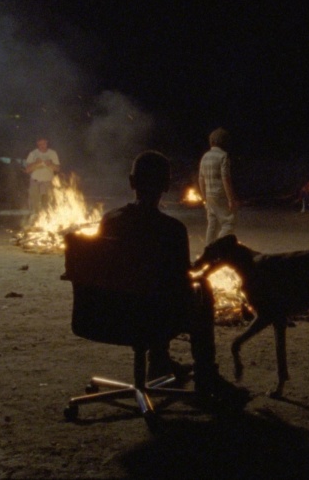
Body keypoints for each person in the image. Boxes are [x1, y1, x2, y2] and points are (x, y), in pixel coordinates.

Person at [99, 150, 249, 409]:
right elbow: (180, 279)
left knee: (153, 292)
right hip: (155, 317)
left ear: (131, 182)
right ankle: (205, 373)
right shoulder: (172, 230)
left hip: (111, 314)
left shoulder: (109, 221)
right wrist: (203, 268)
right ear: (166, 186)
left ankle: (159, 363)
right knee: (200, 290)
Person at [198, 127, 238, 245]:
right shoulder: (223, 156)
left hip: (209, 195)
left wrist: (204, 197)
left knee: (212, 224)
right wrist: (230, 199)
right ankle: (219, 247)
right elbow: (225, 178)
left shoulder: (205, 156)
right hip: (220, 195)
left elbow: (201, 178)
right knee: (228, 223)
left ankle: (208, 250)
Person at [24, 137, 60, 216]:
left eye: (43, 144)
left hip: (48, 182)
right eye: (39, 144)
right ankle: (35, 218)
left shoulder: (52, 153)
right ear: (37, 144)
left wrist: (50, 164)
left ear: (47, 143)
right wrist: (36, 163)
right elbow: (27, 170)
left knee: (49, 203)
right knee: (34, 204)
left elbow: (57, 169)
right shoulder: (33, 154)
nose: (42, 146)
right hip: (35, 182)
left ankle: (49, 218)